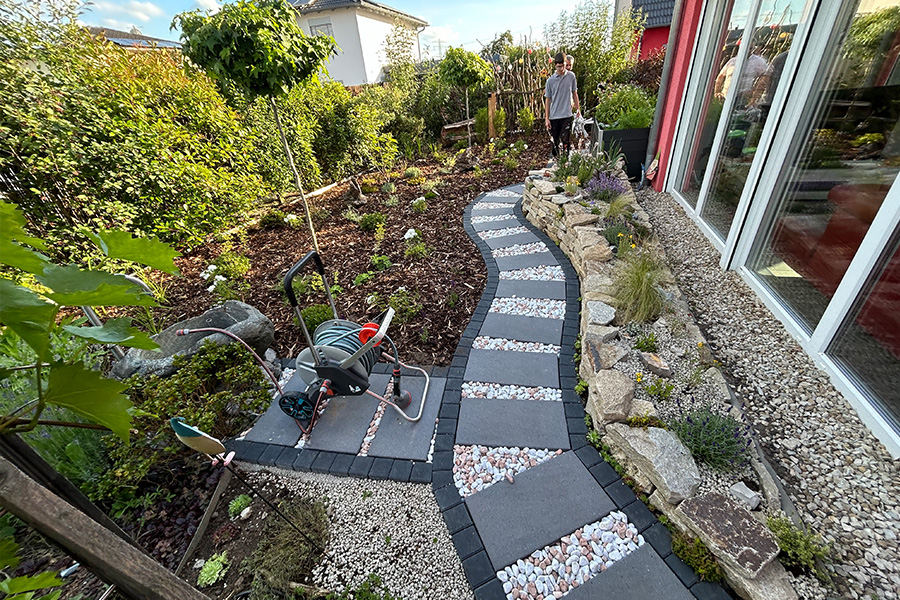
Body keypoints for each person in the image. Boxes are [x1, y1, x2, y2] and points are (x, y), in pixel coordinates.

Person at [545, 52, 579, 158]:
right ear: (555, 66)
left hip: (566, 114)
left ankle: (566, 162)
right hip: (554, 115)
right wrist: (547, 118)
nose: (561, 69)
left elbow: (574, 93)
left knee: (565, 140)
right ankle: (556, 163)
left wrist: (578, 110)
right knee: (555, 142)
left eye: (563, 66)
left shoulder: (571, 76)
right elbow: (548, 100)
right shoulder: (550, 81)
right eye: (559, 66)